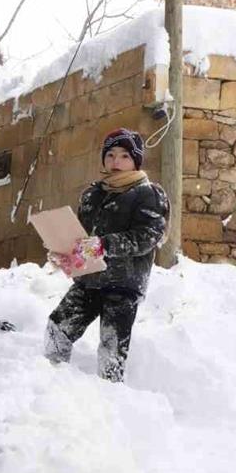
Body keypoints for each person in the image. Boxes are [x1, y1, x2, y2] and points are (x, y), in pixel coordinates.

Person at [44, 128, 169, 382]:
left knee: (111, 350)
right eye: (110, 155)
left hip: (123, 285)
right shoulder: (92, 195)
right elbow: (81, 239)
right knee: (58, 328)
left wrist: (104, 245)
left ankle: (110, 397)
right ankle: (51, 382)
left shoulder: (148, 194)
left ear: (136, 161)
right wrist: (65, 253)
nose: (115, 162)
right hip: (89, 281)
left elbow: (146, 237)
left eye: (124, 156)